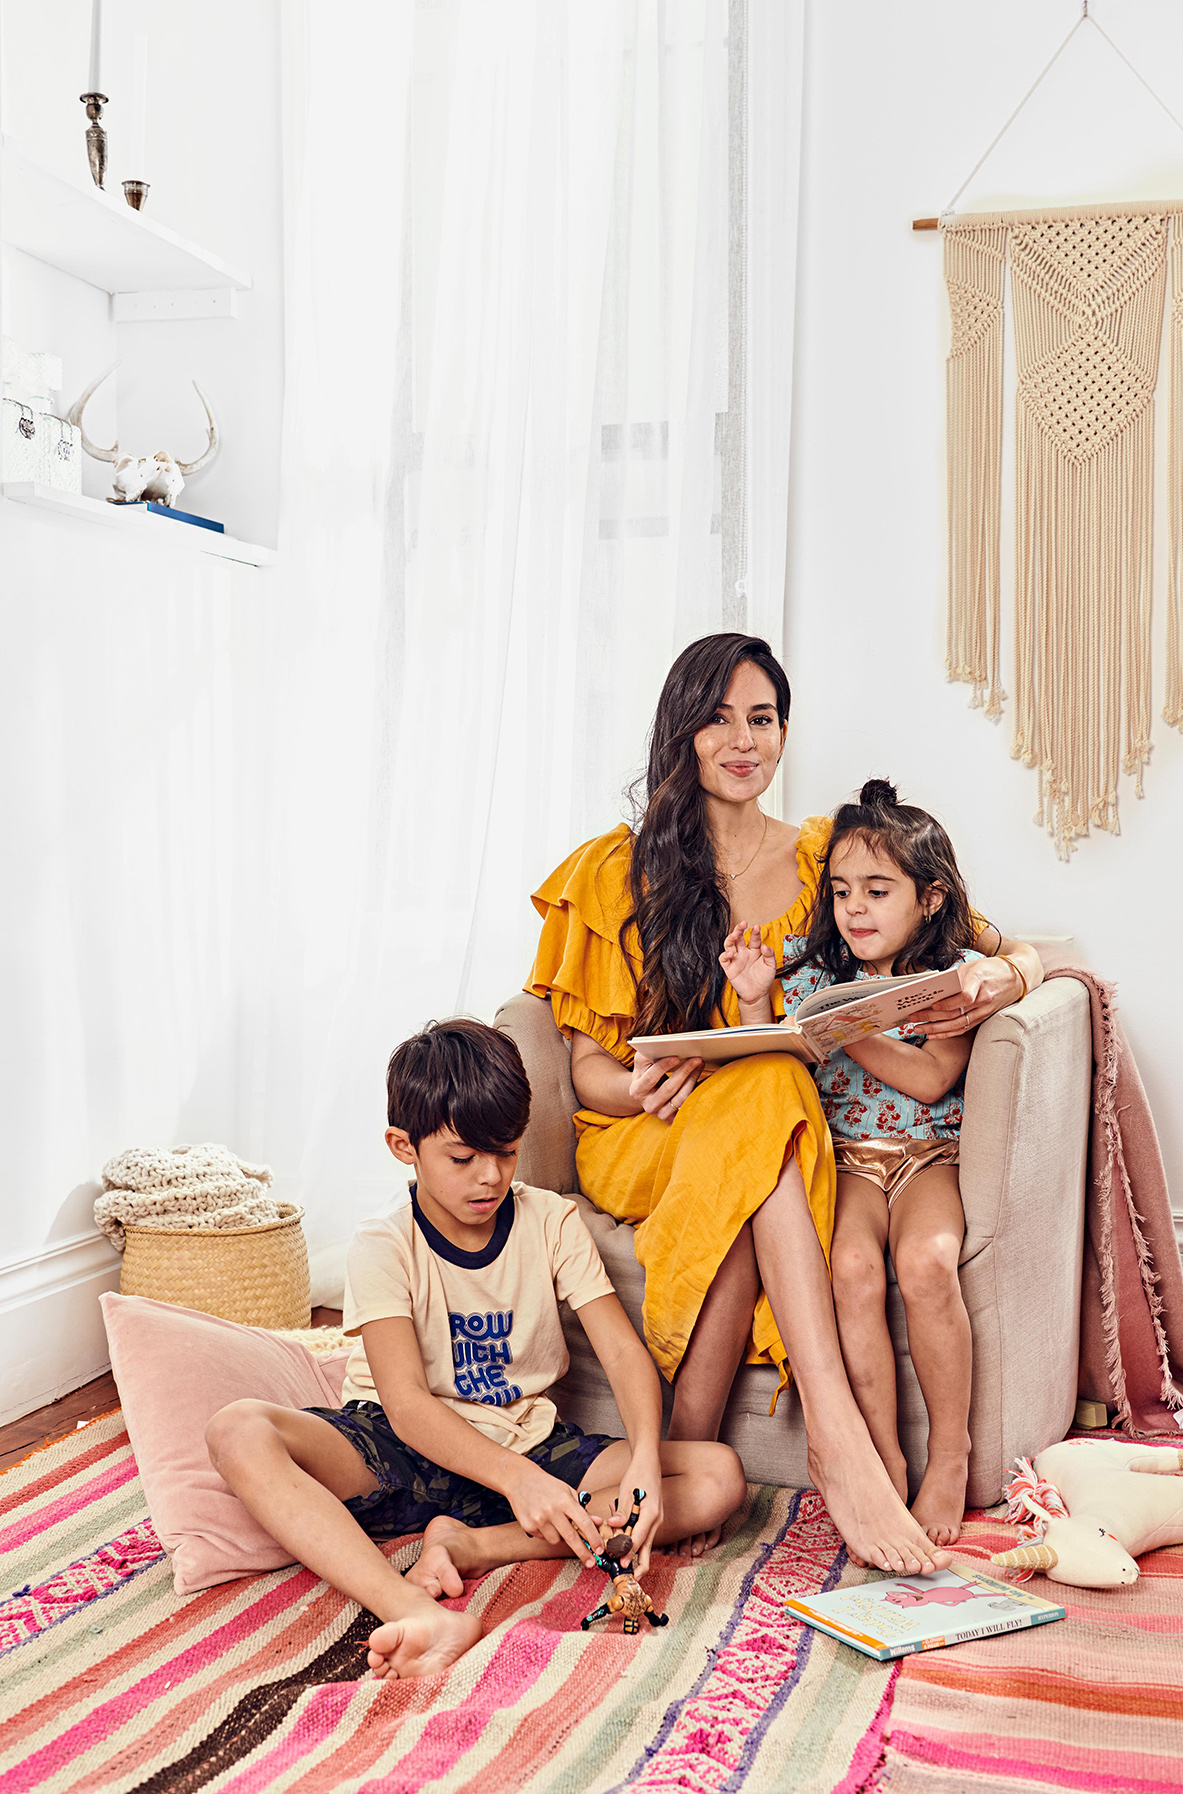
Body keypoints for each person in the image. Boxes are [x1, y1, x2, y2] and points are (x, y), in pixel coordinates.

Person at [526, 632, 1041, 1573]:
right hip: (650, 1134)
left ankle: (685, 1459)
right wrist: (636, 1086)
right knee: (762, 1099)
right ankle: (836, 1438)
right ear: (679, 733)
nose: (741, 739)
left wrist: (1014, 975)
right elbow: (581, 1071)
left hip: (772, 1128)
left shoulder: (821, 861)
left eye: (760, 718)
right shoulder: (614, 870)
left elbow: (983, 942)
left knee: (765, 1094)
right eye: (718, 718)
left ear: (783, 733)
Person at [207, 1019, 744, 1681]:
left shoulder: (552, 1221)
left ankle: (475, 1546)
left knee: (719, 1476)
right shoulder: (383, 1245)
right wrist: (519, 1482)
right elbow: (404, 1406)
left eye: (507, 1152)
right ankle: (412, 1607)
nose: (489, 1177)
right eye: (464, 1158)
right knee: (237, 1429)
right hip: (407, 1452)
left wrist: (640, 1462)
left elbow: (624, 1353)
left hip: (530, 1446)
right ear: (404, 1146)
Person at [726, 778, 987, 1546]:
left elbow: (934, 1076)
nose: (856, 909)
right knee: (851, 1272)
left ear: (929, 899)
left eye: (878, 890)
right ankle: (880, 1458)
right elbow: (773, 1063)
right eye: (842, 892)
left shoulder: (952, 979)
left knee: (929, 1265)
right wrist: (754, 1001)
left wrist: (846, 1028)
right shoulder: (810, 981)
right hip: (848, 1161)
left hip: (928, 1155)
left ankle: (950, 1453)